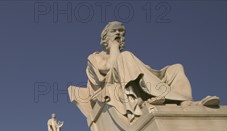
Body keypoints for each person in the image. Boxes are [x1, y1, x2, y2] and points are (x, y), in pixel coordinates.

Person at [85, 21, 219, 123]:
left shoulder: (125, 57)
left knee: (175, 68)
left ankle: (186, 101)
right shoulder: (95, 56)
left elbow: (143, 71)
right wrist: (114, 45)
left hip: (141, 79)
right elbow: (107, 67)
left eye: (121, 31)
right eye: (114, 31)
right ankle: (153, 96)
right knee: (125, 56)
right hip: (112, 82)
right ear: (105, 37)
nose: (118, 33)